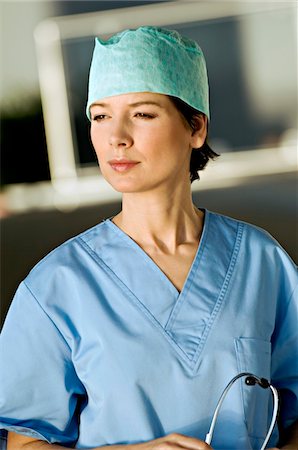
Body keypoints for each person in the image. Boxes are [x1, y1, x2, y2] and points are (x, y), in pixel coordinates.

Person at [0, 26, 297, 450]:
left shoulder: (260, 262)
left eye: (142, 113)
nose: (117, 136)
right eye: (100, 115)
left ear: (196, 128)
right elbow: (24, 441)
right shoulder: (56, 286)